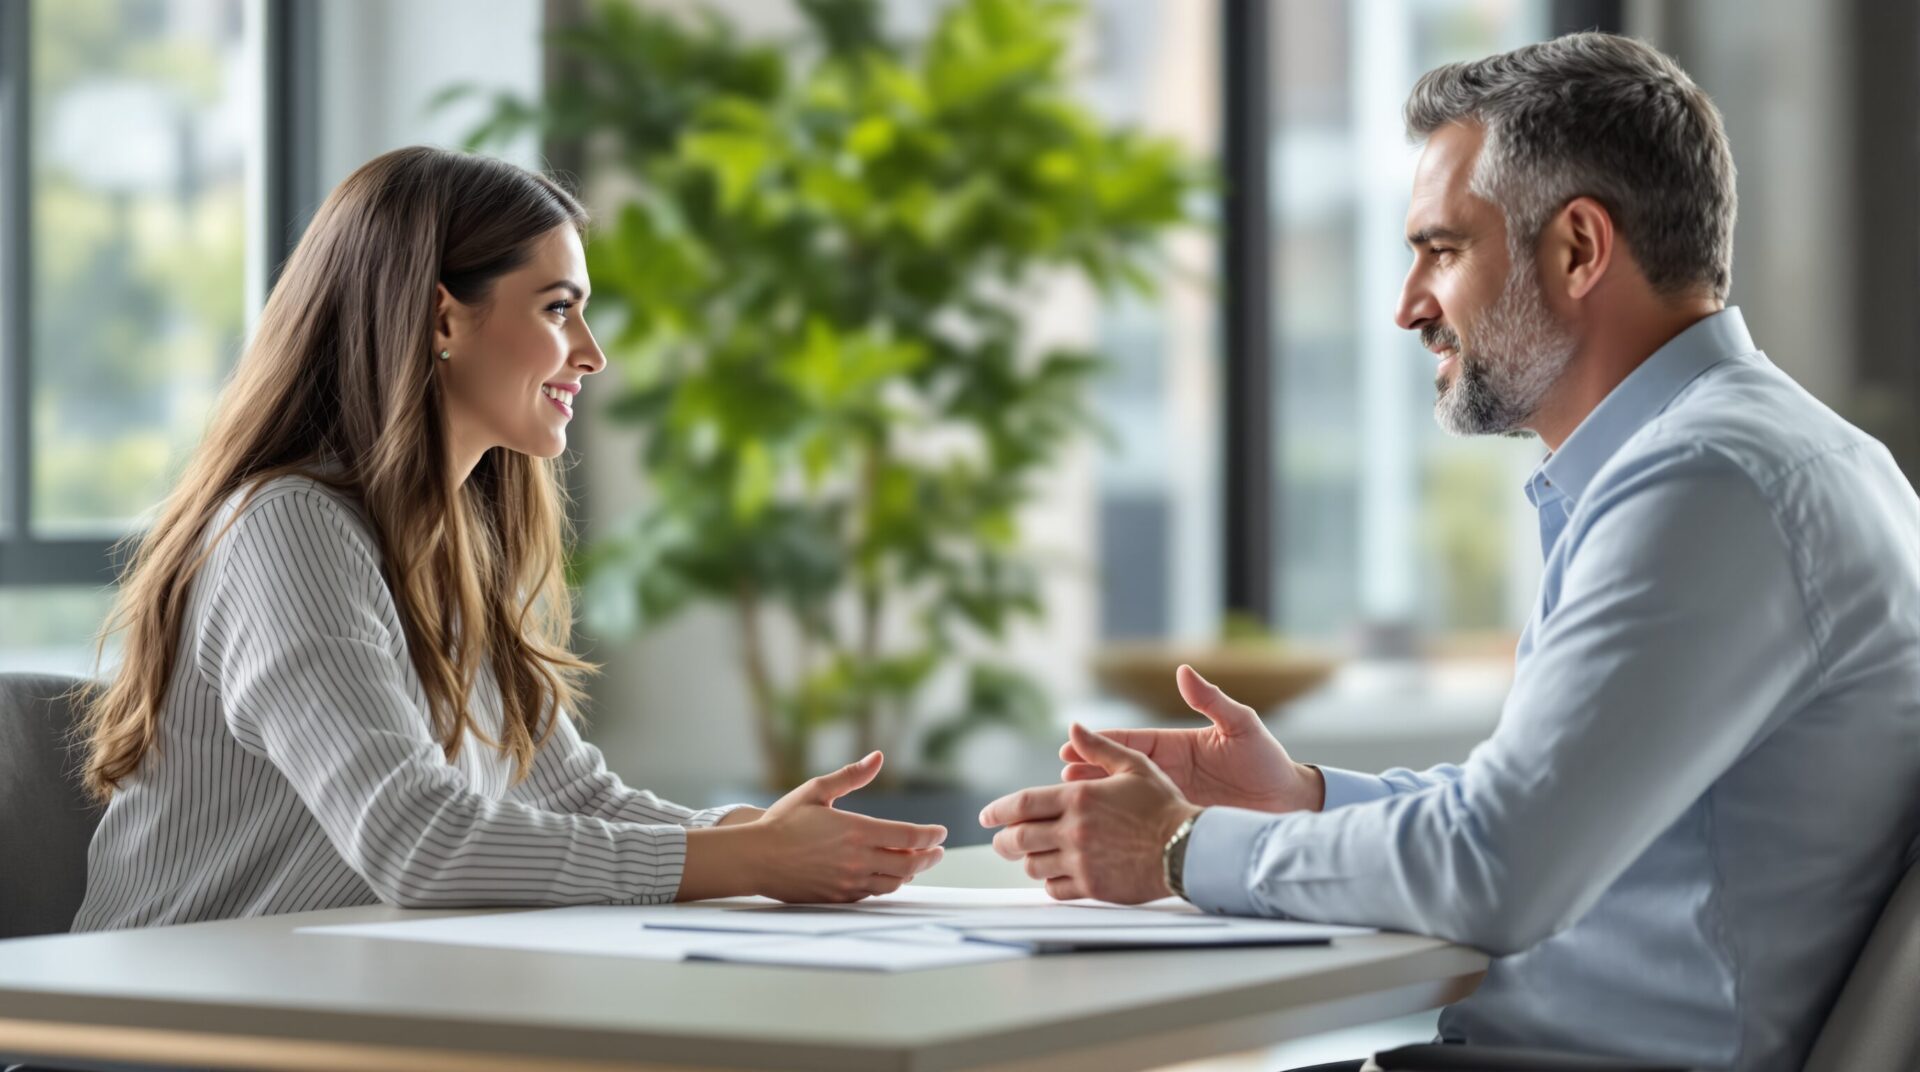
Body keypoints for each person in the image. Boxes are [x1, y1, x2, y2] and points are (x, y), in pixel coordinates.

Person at [980, 32, 1920, 1072]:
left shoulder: (1708, 485)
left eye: (1442, 249)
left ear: (1577, 249)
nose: (1406, 304)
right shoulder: (1777, 457)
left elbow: (1498, 867)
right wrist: (1304, 798)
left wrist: (1174, 848)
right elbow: (1531, 810)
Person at [73, 147, 945, 932]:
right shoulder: (288, 529)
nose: (593, 354)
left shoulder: (448, 543)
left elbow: (573, 795)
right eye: (560, 308)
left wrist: (754, 833)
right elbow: (418, 841)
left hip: (329, 1014)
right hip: (156, 1041)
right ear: (443, 319)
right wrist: (749, 860)